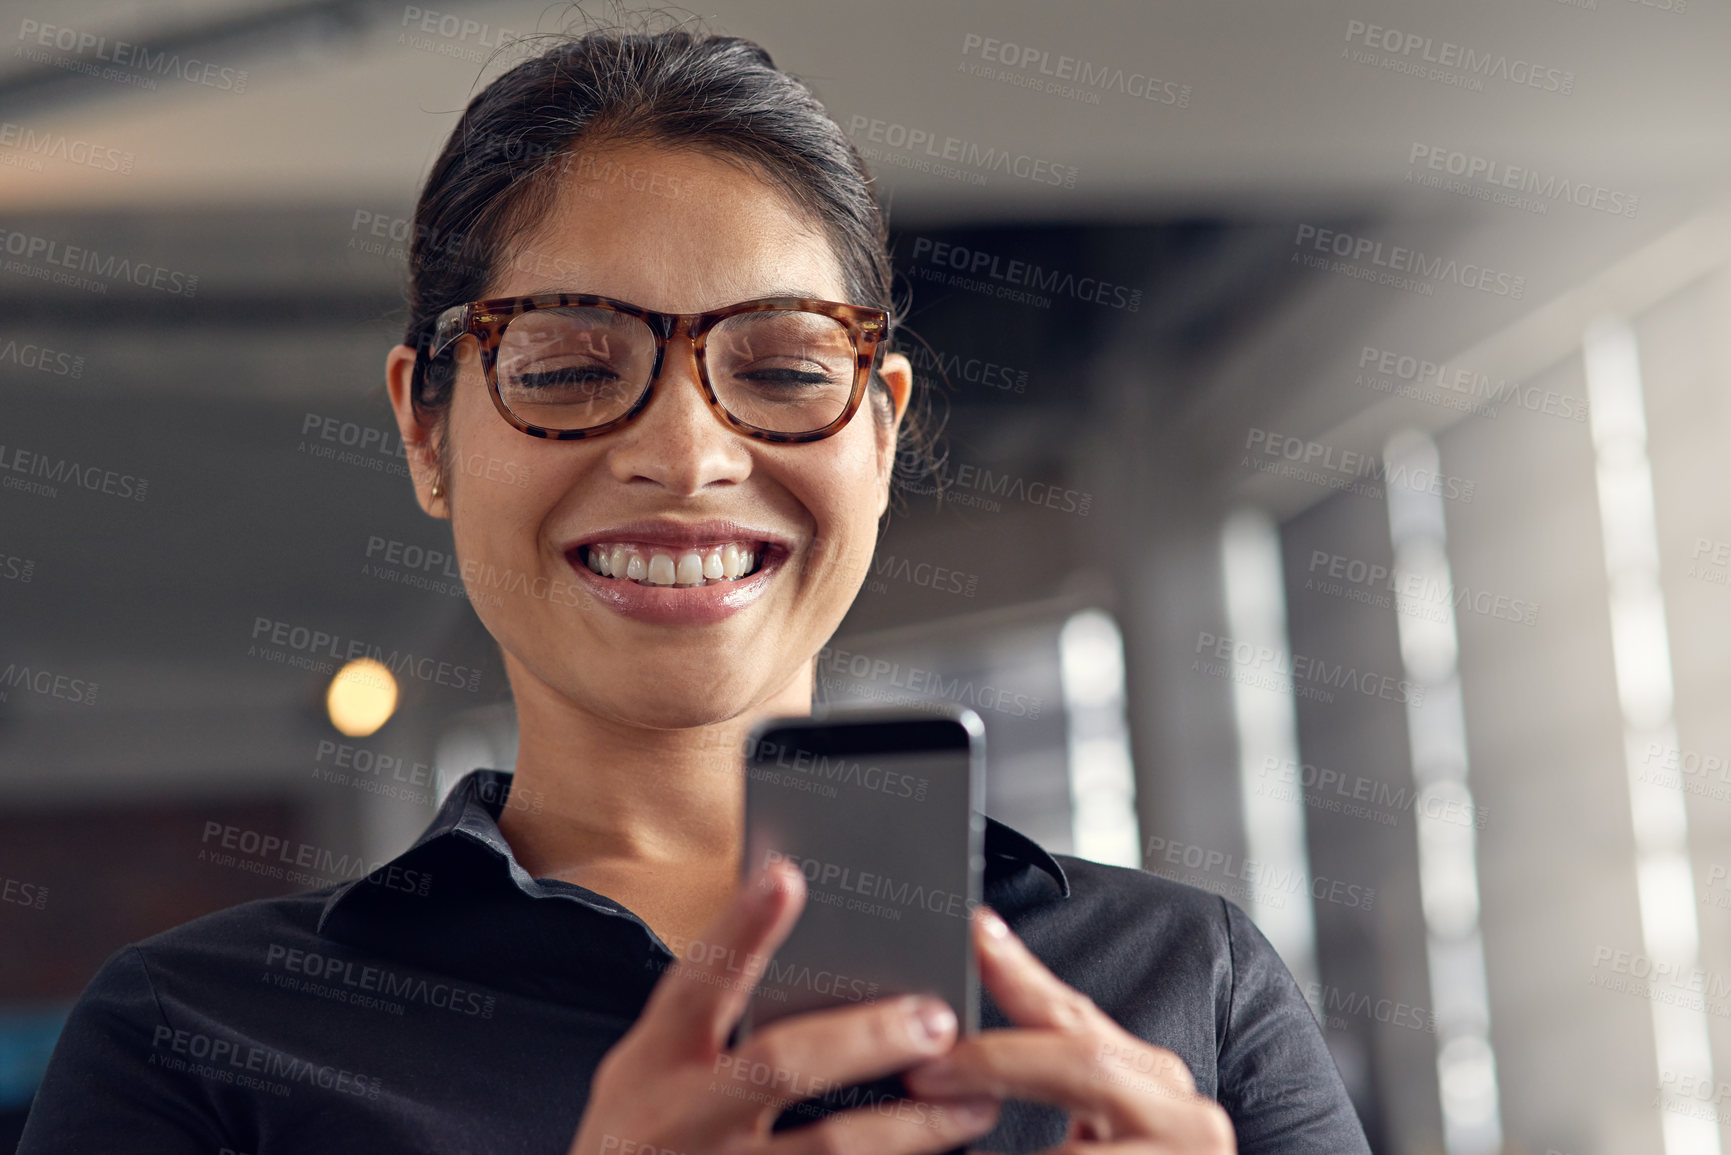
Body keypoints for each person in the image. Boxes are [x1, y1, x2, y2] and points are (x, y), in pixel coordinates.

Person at [17, 24, 1370, 1155]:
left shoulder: (1184, 989)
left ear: (881, 433)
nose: (683, 452)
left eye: (783, 370)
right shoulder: (192, 1046)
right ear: (427, 433)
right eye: (564, 367)